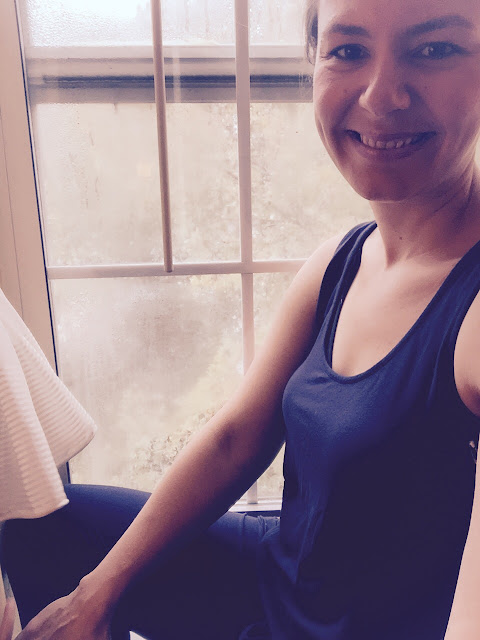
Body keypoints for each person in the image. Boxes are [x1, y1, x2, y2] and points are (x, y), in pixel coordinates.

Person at [3, 0, 480, 637]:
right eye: (347, 50)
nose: (381, 94)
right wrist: (97, 595)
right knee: (37, 529)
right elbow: (235, 438)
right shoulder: (340, 262)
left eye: (435, 49)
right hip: (275, 582)